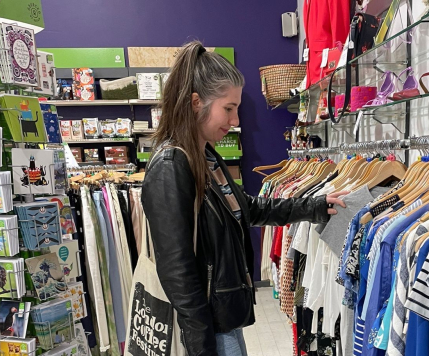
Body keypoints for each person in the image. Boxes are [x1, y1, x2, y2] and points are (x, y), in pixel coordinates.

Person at [142, 41, 347, 356]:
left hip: (221, 317)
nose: (235, 120)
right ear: (196, 102)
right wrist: (202, 345)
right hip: (205, 326)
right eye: (228, 108)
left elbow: (248, 208)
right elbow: (177, 268)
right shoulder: (172, 165)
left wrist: (314, 205)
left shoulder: (204, 155)